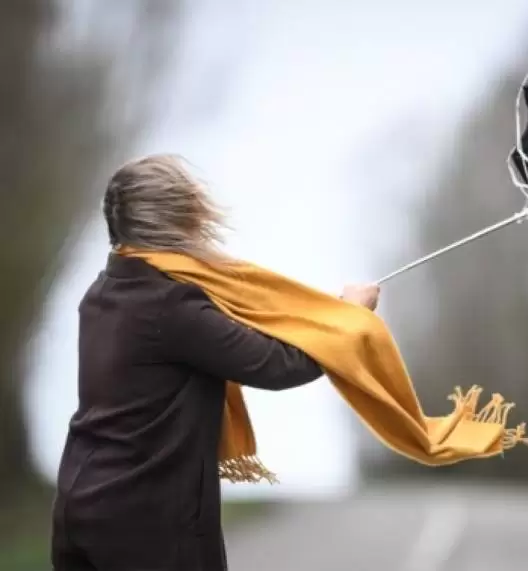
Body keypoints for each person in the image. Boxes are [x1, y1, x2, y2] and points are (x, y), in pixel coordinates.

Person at [50, 154, 380, 570]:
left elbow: (229, 340)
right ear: (178, 221)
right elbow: (278, 365)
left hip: (80, 509)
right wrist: (352, 318)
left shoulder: (102, 293)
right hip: (146, 527)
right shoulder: (170, 305)